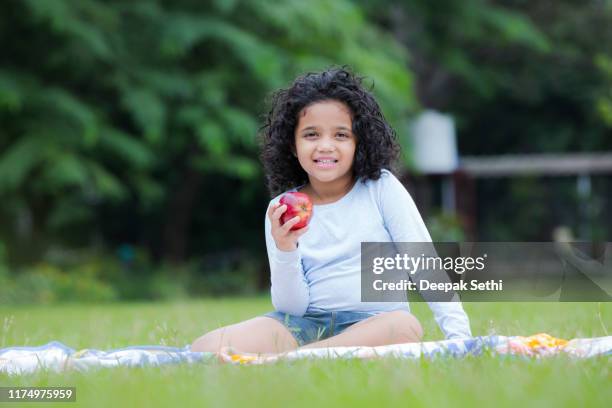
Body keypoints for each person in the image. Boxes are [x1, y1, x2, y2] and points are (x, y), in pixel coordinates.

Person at [191, 67, 471, 354]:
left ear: (358, 143)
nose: (325, 146)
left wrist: (459, 335)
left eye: (340, 135)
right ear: (292, 144)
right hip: (306, 326)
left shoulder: (381, 189)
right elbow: (291, 308)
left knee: (405, 327)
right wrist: (285, 248)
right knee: (205, 348)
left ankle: (299, 358)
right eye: (311, 135)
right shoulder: (279, 209)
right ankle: (312, 354)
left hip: (374, 324)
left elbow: (423, 262)